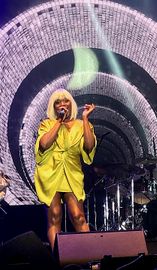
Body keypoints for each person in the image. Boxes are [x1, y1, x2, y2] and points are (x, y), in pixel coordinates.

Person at [34, 89, 96, 249]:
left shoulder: (82, 124)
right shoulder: (47, 124)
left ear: (71, 103)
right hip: (51, 173)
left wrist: (85, 119)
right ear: (53, 107)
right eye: (58, 102)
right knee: (54, 217)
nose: (62, 104)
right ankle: (58, 259)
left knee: (78, 216)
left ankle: (89, 257)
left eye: (65, 100)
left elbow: (89, 147)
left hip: (72, 173)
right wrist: (59, 122)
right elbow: (44, 144)